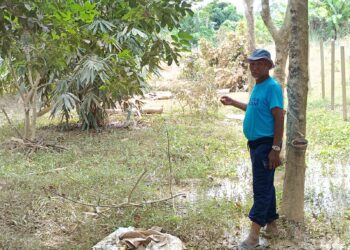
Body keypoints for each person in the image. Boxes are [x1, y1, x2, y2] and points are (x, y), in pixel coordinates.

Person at [220, 49, 284, 250]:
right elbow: (254, 108)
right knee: (266, 185)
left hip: (266, 146)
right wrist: (233, 103)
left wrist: (275, 148)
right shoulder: (258, 86)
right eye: (252, 64)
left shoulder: (272, 87)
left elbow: (279, 117)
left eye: (259, 64)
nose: (255, 67)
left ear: (268, 66)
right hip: (256, 145)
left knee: (261, 189)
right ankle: (272, 224)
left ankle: (254, 237)